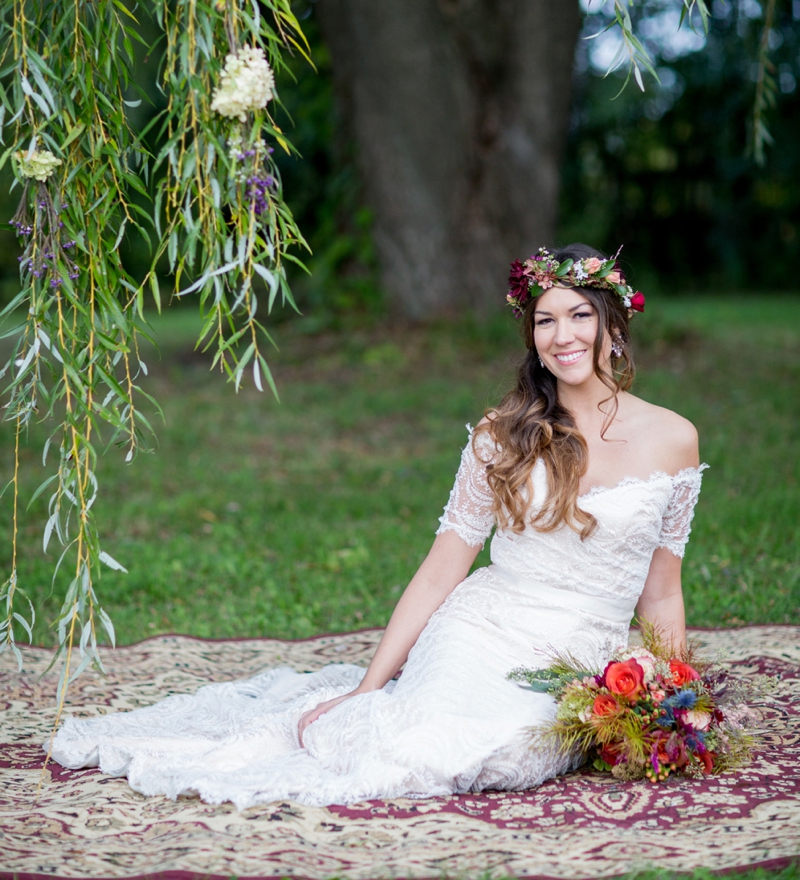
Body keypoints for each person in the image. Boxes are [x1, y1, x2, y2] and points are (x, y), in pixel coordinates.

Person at [48, 243, 704, 810]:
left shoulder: (674, 439)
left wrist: (666, 699)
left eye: (579, 315)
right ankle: (373, 703)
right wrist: (367, 687)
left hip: (583, 651)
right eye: (545, 320)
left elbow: (661, 590)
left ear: (612, 321)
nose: (562, 336)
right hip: (485, 629)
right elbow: (445, 565)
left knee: (513, 754)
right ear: (530, 335)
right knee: (427, 747)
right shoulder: (502, 436)